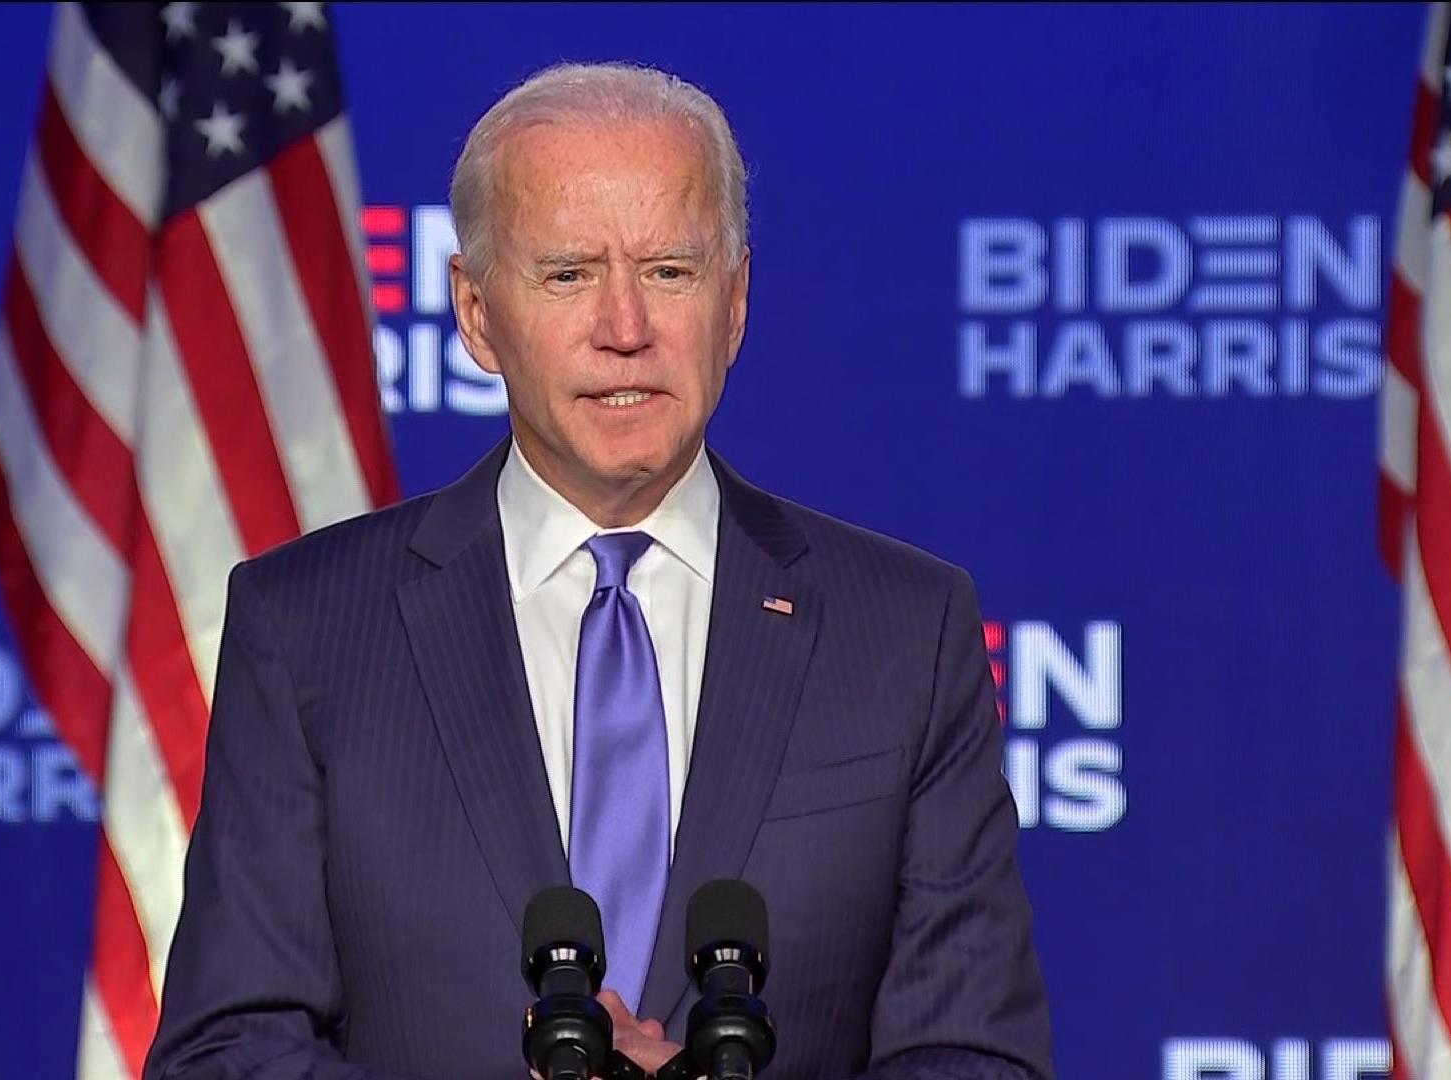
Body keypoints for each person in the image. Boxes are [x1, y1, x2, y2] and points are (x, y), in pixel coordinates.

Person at [144, 60, 1054, 1080]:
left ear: (737, 299)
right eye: (569, 274)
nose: (626, 329)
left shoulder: (905, 633)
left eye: (670, 271)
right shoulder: (307, 628)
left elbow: (978, 1061)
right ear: (478, 313)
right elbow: (227, 1052)